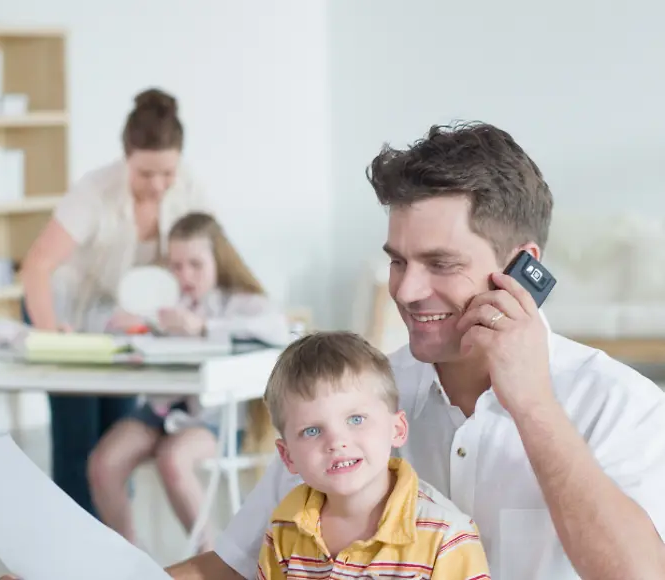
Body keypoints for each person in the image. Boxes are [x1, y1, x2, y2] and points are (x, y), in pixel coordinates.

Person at [165, 122, 665, 580]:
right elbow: (231, 567)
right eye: (399, 261)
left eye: (440, 263)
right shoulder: (360, 400)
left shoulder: (619, 406)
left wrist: (534, 405)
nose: (405, 291)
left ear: (521, 267)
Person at [18, 87, 210, 518]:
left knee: (115, 441)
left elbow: (212, 256)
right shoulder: (94, 192)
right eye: (146, 174)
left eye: (167, 173)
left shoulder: (189, 186)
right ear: (126, 157)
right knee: (78, 439)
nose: (158, 185)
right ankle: (73, 555)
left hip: (117, 322)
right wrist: (53, 337)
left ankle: (115, 554)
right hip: (62, 312)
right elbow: (36, 266)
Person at [87, 211, 289, 552]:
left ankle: (212, 555)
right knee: (103, 463)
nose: (185, 276)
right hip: (160, 410)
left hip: (212, 419)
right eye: (176, 266)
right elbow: (113, 323)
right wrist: (132, 326)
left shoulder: (241, 304)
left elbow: (276, 328)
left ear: (218, 261)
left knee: (173, 459)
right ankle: (129, 556)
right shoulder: (163, 302)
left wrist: (203, 328)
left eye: (195, 264)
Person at [256, 331, 490, 579]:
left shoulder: (446, 536)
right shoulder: (284, 527)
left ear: (397, 429)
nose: (337, 442)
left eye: (356, 419)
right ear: (288, 456)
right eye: (312, 430)